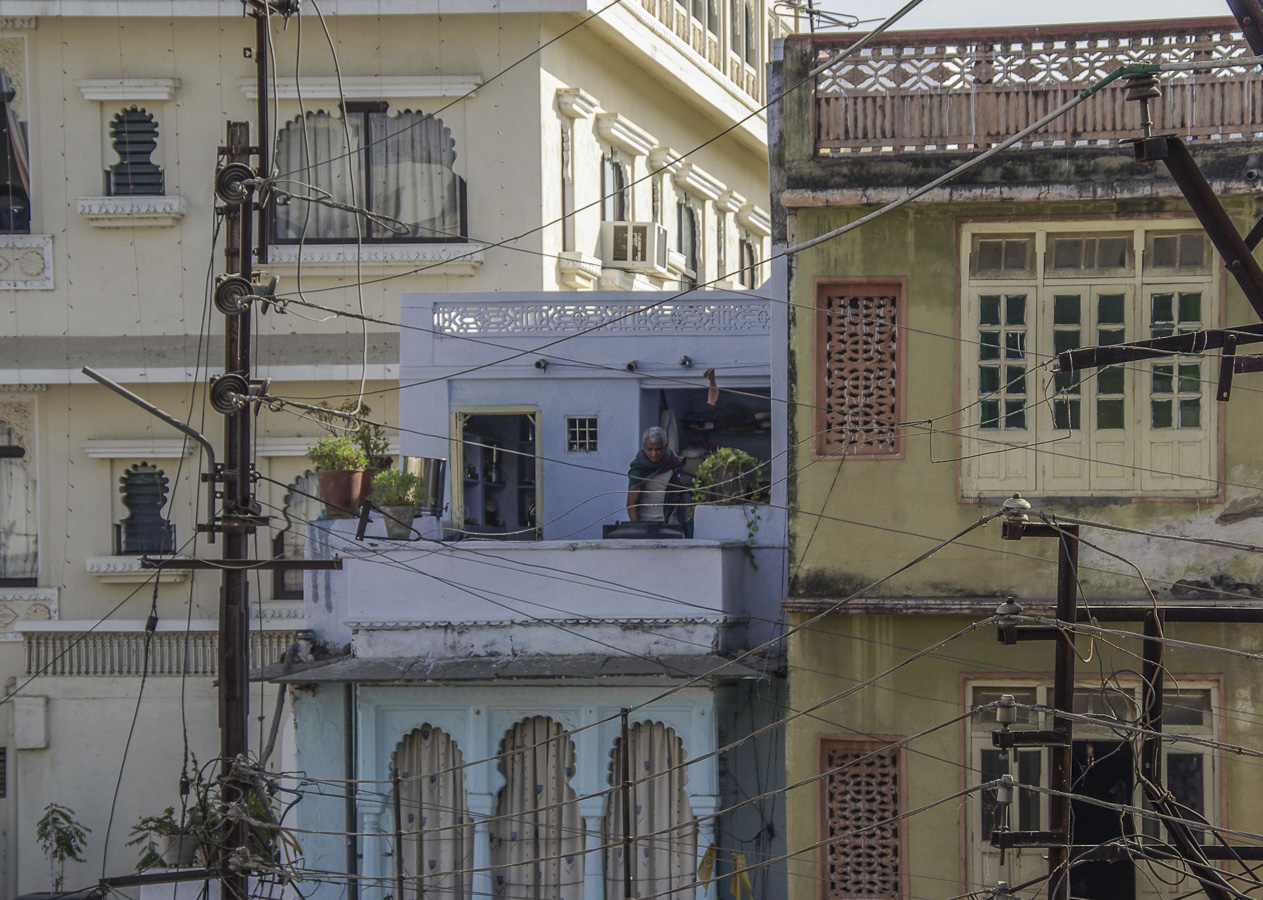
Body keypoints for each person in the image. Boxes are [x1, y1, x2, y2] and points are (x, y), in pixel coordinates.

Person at [626, 426, 689, 528]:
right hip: (646, 523)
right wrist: (638, 529)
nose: (654, 454)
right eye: (649, 449)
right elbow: (631, 504)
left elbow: (682, 498)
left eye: (658, 449)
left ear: (665, 447)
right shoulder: (639, 469)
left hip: (671, 522)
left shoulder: (674, 464)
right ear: (644, 447)